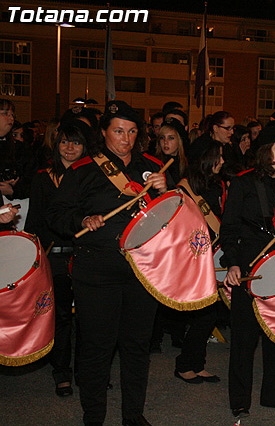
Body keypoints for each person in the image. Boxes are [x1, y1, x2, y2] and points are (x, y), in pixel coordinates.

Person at [48, 100, 170, 426]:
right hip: (96, 268)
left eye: (131, 132)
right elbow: (56, 215)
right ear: (104, 133)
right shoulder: (84, 169)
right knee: (96, 347)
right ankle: (94, 416)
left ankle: (133, 415)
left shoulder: (153, 168)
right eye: (118, 131)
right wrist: (82, 218)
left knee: (136, 347)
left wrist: (163, 192)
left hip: (142, 268)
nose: (125, 139)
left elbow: (170, 219)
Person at [220, 124, 275, 419]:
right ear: (264, 152)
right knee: (244, 337)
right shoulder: (244, 183)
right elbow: (228, 229)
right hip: (248, 263)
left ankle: (273, 394)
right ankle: (240, 399)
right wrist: (232, 262)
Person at [25, 121, 94, 398]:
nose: (69, 148)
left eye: (76, 143)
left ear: (85, 147)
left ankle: (88, 373)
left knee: (89, 319)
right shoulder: (43, 177)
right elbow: (34, 222)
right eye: (64, 142)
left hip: (85, 256)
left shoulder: (92, 177)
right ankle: (62, 373)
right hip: (54, 257)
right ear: (56, 145)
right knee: (62, 317)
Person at [172, 142, 226, 384]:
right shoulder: (184, 188)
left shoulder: (216, 184)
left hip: (214, 254)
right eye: (218, 158)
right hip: (194, 258)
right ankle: (185, 365)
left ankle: (196, 364)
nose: (222, 162)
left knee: (209, 314)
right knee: (204, 314)